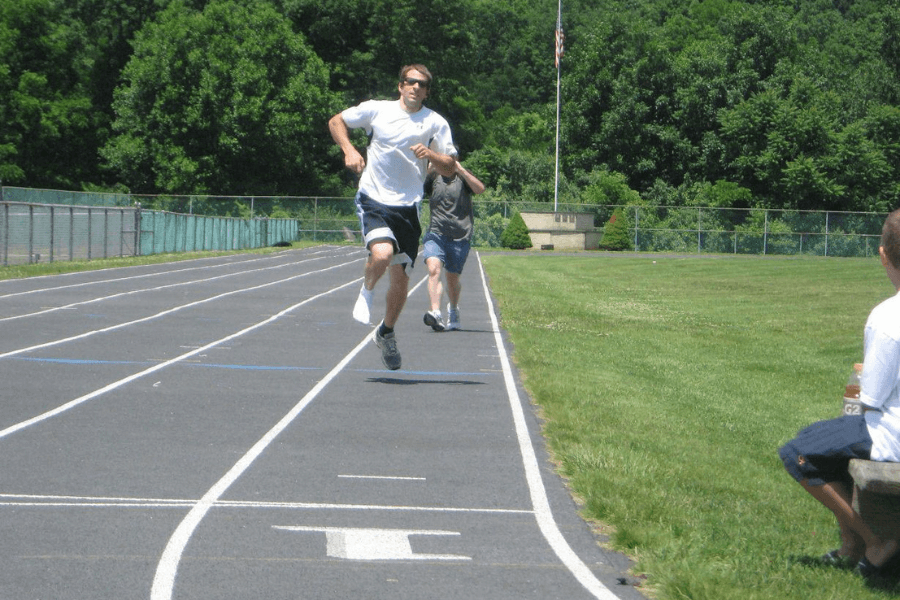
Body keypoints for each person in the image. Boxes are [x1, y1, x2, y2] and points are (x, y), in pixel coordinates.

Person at [779, 208, 900, 578]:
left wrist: (861, 383)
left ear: (882, 255)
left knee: (798, 452)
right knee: (827, 440)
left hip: (892, 435)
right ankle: (851, 546)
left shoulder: (888, 316)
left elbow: (872, 399)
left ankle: (876, 541)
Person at [328, 64, 456, 370]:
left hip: (408, 208)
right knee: (382, 254)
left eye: (422, 84)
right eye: (410, 82)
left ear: (427, 91)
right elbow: (336, 122)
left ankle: (385, 332)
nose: (416, 87)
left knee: (400, 282)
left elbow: (450, 167)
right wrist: (348, 149)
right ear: (400, 86)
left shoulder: (435, 123)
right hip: (374, 198)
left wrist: (432, 156)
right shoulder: (377, 111)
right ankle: (366, 291)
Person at [421, 157, 485, 332]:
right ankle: (436, 313)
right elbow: (416, 190)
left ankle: (454, 309)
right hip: (436, 233)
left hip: (459, 236)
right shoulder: (433, 178)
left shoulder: (462, 177)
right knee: (433, 269)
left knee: (452, 278)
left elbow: (480, 189)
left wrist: (461, 170)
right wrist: (426, 171)